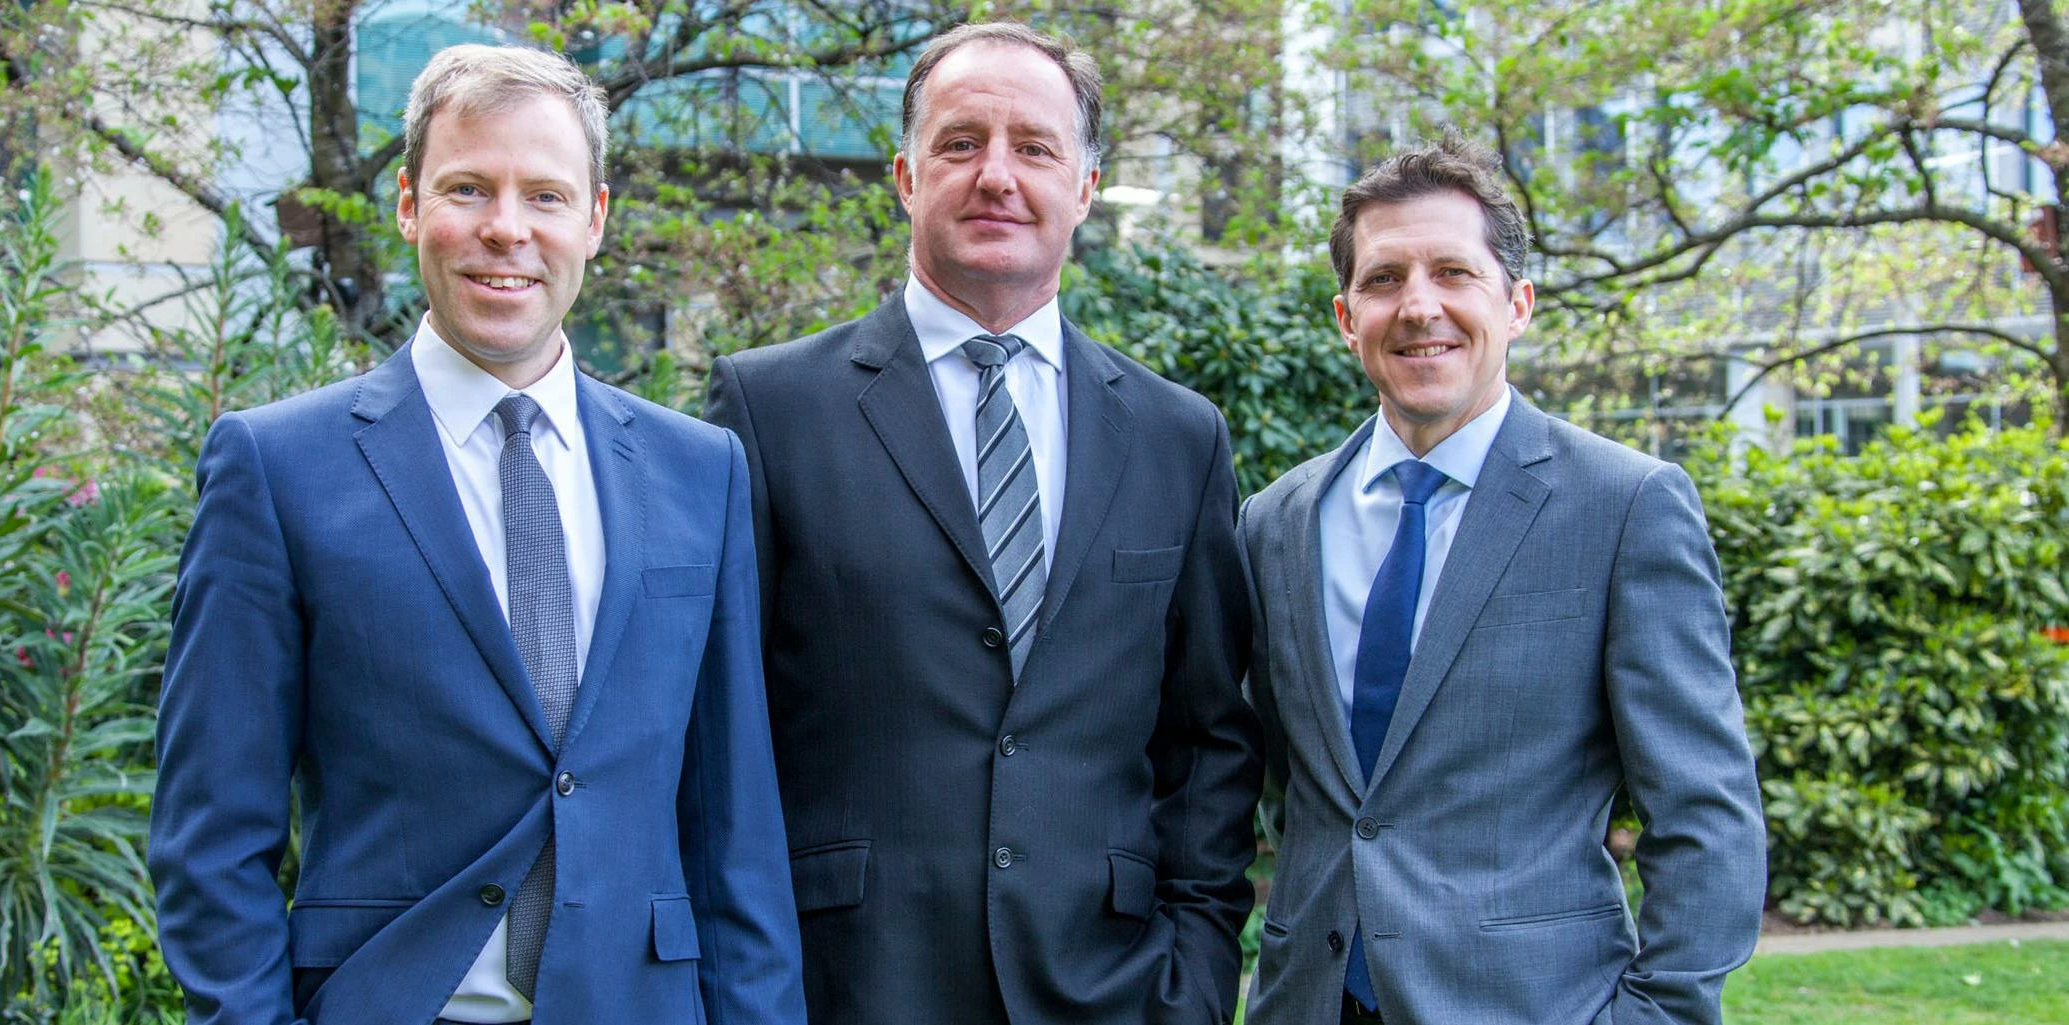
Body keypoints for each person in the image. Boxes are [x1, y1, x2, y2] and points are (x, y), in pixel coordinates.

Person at [149, 43, 803, 1025]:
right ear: (410, 205)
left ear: (595, 220)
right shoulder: (278, 468)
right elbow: (212, 836)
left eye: (544, 196)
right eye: (469, 188)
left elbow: (734, 830)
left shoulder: (697, 472)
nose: (506, 230)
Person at [703, 21, 1261, 1025]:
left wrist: (1196, 980)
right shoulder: (768, 411)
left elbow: (1209, 739)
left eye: (1035, 148)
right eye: (961, 144)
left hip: (1114, 989)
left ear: (1085, 189)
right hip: (848, 983)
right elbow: (720, 730)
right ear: (906, 176)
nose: (996, 175)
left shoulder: (1180, 437)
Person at [1240, 135, 1766, 1025]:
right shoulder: (1275, 523)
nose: (1418, 307)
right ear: (1344, 314)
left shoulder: (1626, 506)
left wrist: (1655, 1015)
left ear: (1516, 303)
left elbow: (1708, 817)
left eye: (1453, 272)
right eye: (1383, 279)